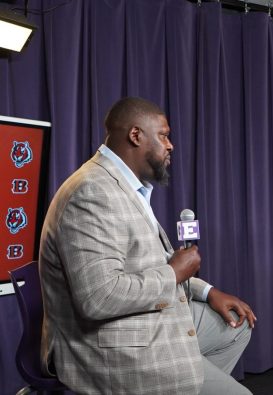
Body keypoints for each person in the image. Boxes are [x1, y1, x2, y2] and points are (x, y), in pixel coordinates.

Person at [38, 97, 256, 394]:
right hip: (107, 344)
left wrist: (208, 291)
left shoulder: (124, 185)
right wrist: (174, 274)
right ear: (136, 135)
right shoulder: (91, 192)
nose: (171, 145)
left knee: (236, 325)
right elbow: (99, 298)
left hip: (139, 320)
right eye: (164, 135)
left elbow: (148, 262)